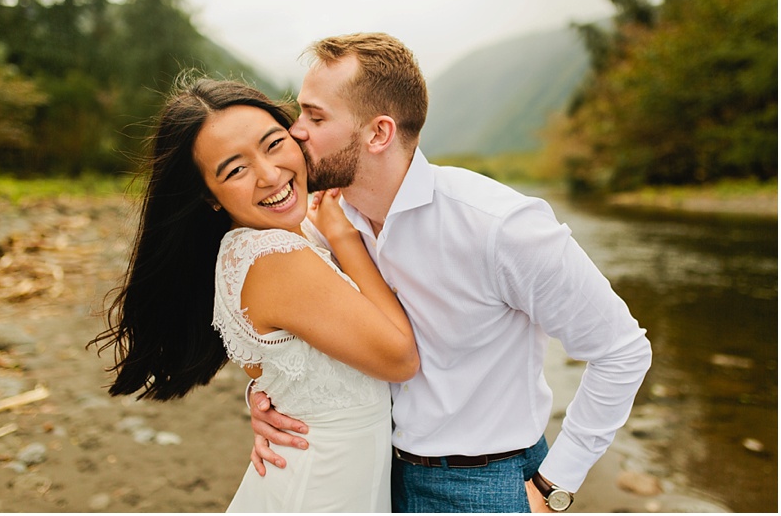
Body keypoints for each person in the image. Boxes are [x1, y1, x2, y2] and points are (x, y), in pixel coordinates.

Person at [248, 33, 652, 514]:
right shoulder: (322, 225)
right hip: (368, 474)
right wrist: (267, 398)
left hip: (485, 487)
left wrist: (554, 486)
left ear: (379, 133)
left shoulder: (499, 226)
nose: (295, 131)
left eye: (315, 117)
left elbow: (622, 350)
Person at [93, 78, 418, 513]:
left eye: (273, 144)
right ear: (209, 195)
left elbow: (276, 364)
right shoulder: (273, 255)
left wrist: (260, 397)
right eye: (235, 170)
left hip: (319, 473)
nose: (269, 175)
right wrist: (344, 237)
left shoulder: (257, 240)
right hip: (321, 488)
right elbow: (401, 359)